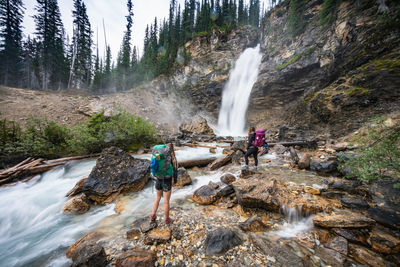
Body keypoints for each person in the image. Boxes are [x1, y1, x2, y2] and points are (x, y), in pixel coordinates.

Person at [150, 144, 178, 225]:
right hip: (166, 179)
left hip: (158, 177)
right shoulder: (170, 158)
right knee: (166, 201)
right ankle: (167, 219)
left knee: (158, 198)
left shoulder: (156, 155)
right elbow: (174, 170)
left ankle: (152, 215)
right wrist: (175, 181)